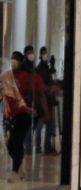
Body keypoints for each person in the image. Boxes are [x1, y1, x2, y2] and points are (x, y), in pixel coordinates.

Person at [4, 52, 46, 181]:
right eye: (12, 58)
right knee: (10, 144)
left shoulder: (27, 76)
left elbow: (36, 93)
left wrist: (40, 110)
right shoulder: (8, 76)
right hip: (11, 114)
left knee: (17, 141)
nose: (13, 61)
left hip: (24, 114)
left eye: (16, 59)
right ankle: (20, 164)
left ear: (21, 61)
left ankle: (15, 172)